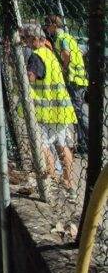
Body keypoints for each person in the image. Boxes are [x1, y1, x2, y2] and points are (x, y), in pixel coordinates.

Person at [21, 23, 77, 197]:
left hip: (45, 112)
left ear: (35, 39)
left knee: (42, 146)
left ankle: (50, 179)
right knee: (61, 145)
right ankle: (68, 181)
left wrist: (22, 75)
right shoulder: (51, 55)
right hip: (60, 109)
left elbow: (30, 79)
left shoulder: (36, 56)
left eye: (26, 39)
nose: (25, 43)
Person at [44, 14, 89, 153]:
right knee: (78, 112)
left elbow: (67, 54)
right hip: (78, 78)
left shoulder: (62, 38)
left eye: (47, 25)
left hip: (73, 79)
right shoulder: (67, 37)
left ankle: (87, 143)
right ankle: (84, 143)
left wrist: (63, 68)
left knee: (78, 113)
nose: (46, 29)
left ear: (54, 25)